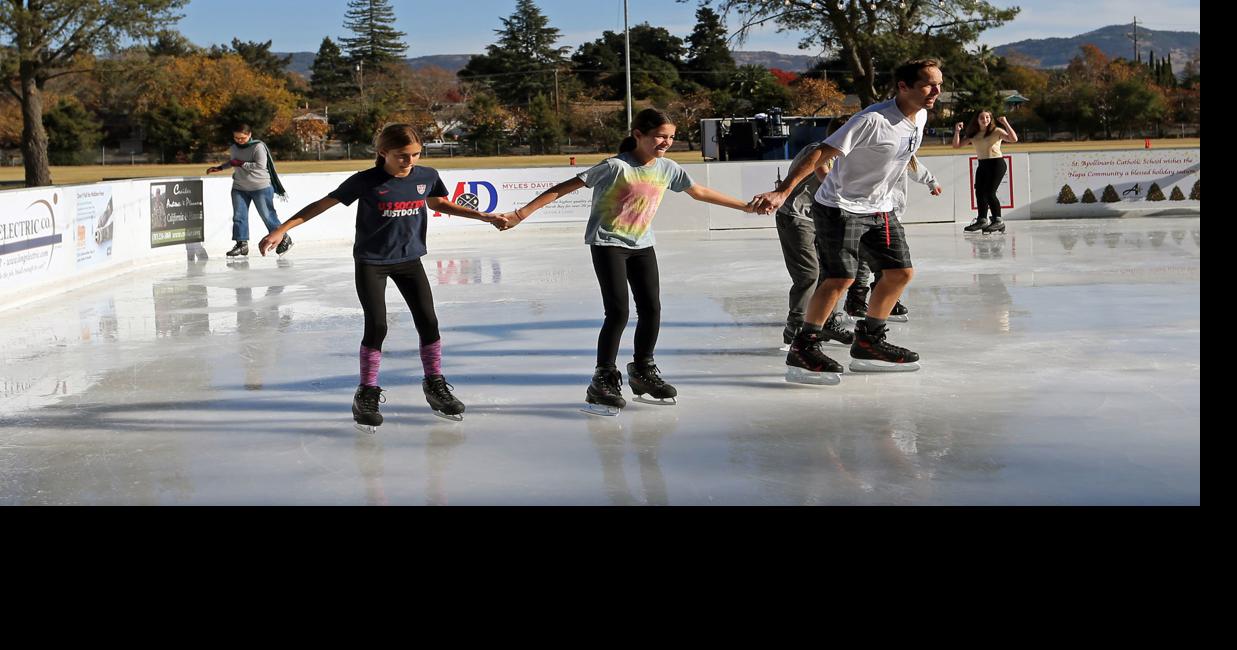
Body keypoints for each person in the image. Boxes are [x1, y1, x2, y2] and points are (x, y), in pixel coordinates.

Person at [495, 108, 758, 414]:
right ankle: (603, 378)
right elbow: (563, 188)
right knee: (618, 311)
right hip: (607, 243)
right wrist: (521, 214)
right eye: (660, 136)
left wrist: (744, 207)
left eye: (671, 137)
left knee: (651, 309)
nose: (666, 142)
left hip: (643, 244)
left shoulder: (668, 168)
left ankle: (643, 370)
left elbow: (698, 192)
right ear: (638, 135)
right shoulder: (615, 166)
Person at [259, 123, 507, 431]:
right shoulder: (366, 181)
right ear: (383, 153)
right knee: (377, 325)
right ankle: (367, 392)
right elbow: (322, 205)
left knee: (428, 321)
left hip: (409, 260)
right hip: (371, 263)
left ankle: (435, 383)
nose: (410, 162)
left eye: (415, 154)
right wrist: (281, 229)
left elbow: (439, 203)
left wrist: (482, 216)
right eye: (402, 156)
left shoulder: (427, 176)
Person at [752, 58, 944, 384]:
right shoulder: (871, 120)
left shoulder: (921, 116)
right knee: (840, 278)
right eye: (928, 84)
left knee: (899, 273)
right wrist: (784, 192)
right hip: (839, 206)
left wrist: (926, 179)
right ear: (903, 86)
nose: (936, 91)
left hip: (880, 209)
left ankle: (869, 341)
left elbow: (906, 158)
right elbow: (820, 153)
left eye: (939, 84)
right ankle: (804, 346)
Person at [207, 122, 292, 256]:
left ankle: (284, 238)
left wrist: (241, 164)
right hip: (239, 187)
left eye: (242, 138)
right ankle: (242, 244)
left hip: (260, 187)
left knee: (267, 215)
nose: (239, 141)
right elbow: (233, 161)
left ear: (249, 135)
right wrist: (220, 168)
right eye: (236, 138)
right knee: (239, 216)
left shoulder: (258, 147)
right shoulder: (234, 147)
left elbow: (260, 166)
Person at [953, 110, 1017, 232]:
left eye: (987, 117)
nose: (985, 119)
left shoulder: (996, 131)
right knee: (980, 193)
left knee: (989, 193)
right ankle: (982, 220)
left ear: (990, 118)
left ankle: (998, 221)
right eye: (982, 117)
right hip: (982, 165)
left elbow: (1013, 139)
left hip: (996, 163)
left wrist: (1005, 123)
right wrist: (957, 131)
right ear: (977, 120)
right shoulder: (974, 134)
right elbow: (956, 145)